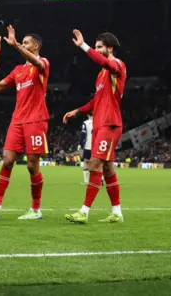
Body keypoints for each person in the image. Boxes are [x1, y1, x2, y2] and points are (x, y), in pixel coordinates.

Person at [0, 26, 50, 221]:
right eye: (22, 43)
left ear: (35, 46)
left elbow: (36, 61)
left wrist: (15, 45)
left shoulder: (43, 63)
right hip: (17, 121)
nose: (23, 44)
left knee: (31, 165)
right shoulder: (18, 70)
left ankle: (36, 209)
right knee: (7, 161)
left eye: (26, 42)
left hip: (36, 120)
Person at [62, 30, 127, 224]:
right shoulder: (101, 76)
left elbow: (105, 62)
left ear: (110, 48)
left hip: (110, 124)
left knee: (94, 164)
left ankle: (84, 211)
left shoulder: (117, 65)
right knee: (107, 169)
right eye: (95, 46)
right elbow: (95, 101)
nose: (97, 50)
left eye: (100, 47)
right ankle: (117, 212)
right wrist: (78, 111)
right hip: (100, 124)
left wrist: (83, 45)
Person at [78, 113, 93, 185]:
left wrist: (80, 144)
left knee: (86, 162)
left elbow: (83, 134)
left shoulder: (86, 123)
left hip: (88, 145)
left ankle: (86, 181)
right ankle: (101, 180)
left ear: (87, 115)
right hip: (98, 146)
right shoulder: (99, 121)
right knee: (98, 163)